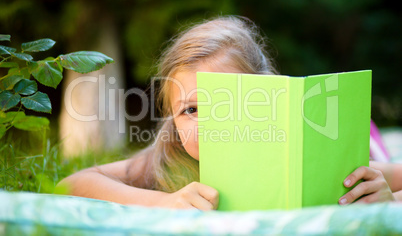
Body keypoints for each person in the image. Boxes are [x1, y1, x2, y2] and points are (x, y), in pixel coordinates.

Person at [57, 16, 402, 210]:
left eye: (227, 103)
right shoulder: (171, 158)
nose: (209, 124)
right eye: (190, 110)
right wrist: (159, 202)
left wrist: (388, 197)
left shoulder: (296, 152)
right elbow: (72, 183)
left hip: (340, 140)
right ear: (173, 123)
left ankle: (370, 136)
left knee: (363, 146)